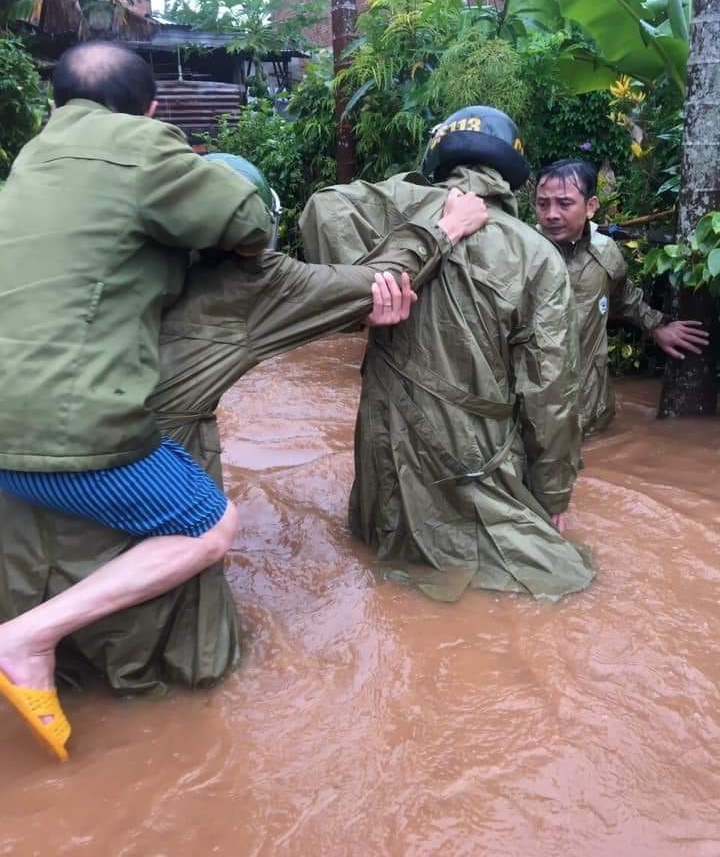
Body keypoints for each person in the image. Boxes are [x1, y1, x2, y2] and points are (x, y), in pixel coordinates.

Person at [0, 154, 488, 758]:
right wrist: (445, 227)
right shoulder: (251, 286)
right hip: (147, 471)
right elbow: (372, 282)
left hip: (27, 465)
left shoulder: (89, 256)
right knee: (186, 677)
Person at [300, 107, 595, 604]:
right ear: (512, 172)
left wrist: (365, 295)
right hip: (473, 449)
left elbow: (320, 208)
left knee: (377, 547)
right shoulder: (536, 254)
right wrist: (551, 495)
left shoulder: (394, 206)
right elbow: (550, 393)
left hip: (385, 437)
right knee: (563, 581)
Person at [535, 159, 709, 436]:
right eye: (543, 204)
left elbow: (623, 295)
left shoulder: (605, 253)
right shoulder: (521, 256)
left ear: (590, 206)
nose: (551, 214)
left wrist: (657, 326)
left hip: (592, 406)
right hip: (535, 412)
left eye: (564, 204)